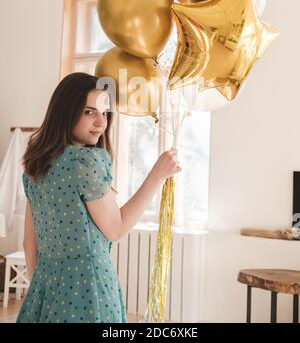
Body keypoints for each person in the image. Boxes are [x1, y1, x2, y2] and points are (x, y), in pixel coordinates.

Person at [16, 72, 181, 323]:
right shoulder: (85, 162)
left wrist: (47, 287)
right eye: (89, 112)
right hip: (88, 290)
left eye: (105, 113)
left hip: (45, 286)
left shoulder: (35, 166)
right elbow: (115, 229)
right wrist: (157, 176)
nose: (101, 123)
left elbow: (30, 245)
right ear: (65, 112)